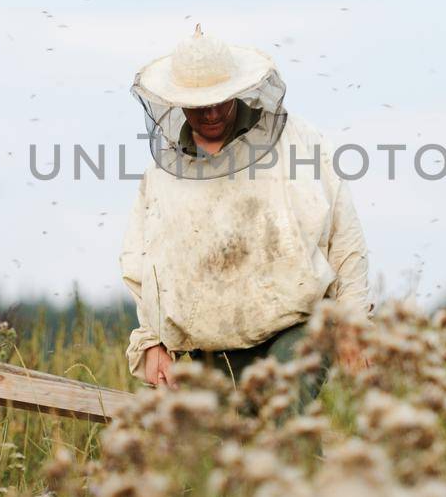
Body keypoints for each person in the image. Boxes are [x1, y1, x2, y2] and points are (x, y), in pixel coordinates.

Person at [120, 26, 370, 401]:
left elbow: (344, 236)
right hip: (212, 346)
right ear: (178, 101)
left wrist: (354, 325)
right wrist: (151, 342)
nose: (213, 112)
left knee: (285, 416)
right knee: (234, 451)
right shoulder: (161, 176)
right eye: (200, 104)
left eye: (221, 99)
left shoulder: (298, 142)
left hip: (298, 328)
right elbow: (147, 265)